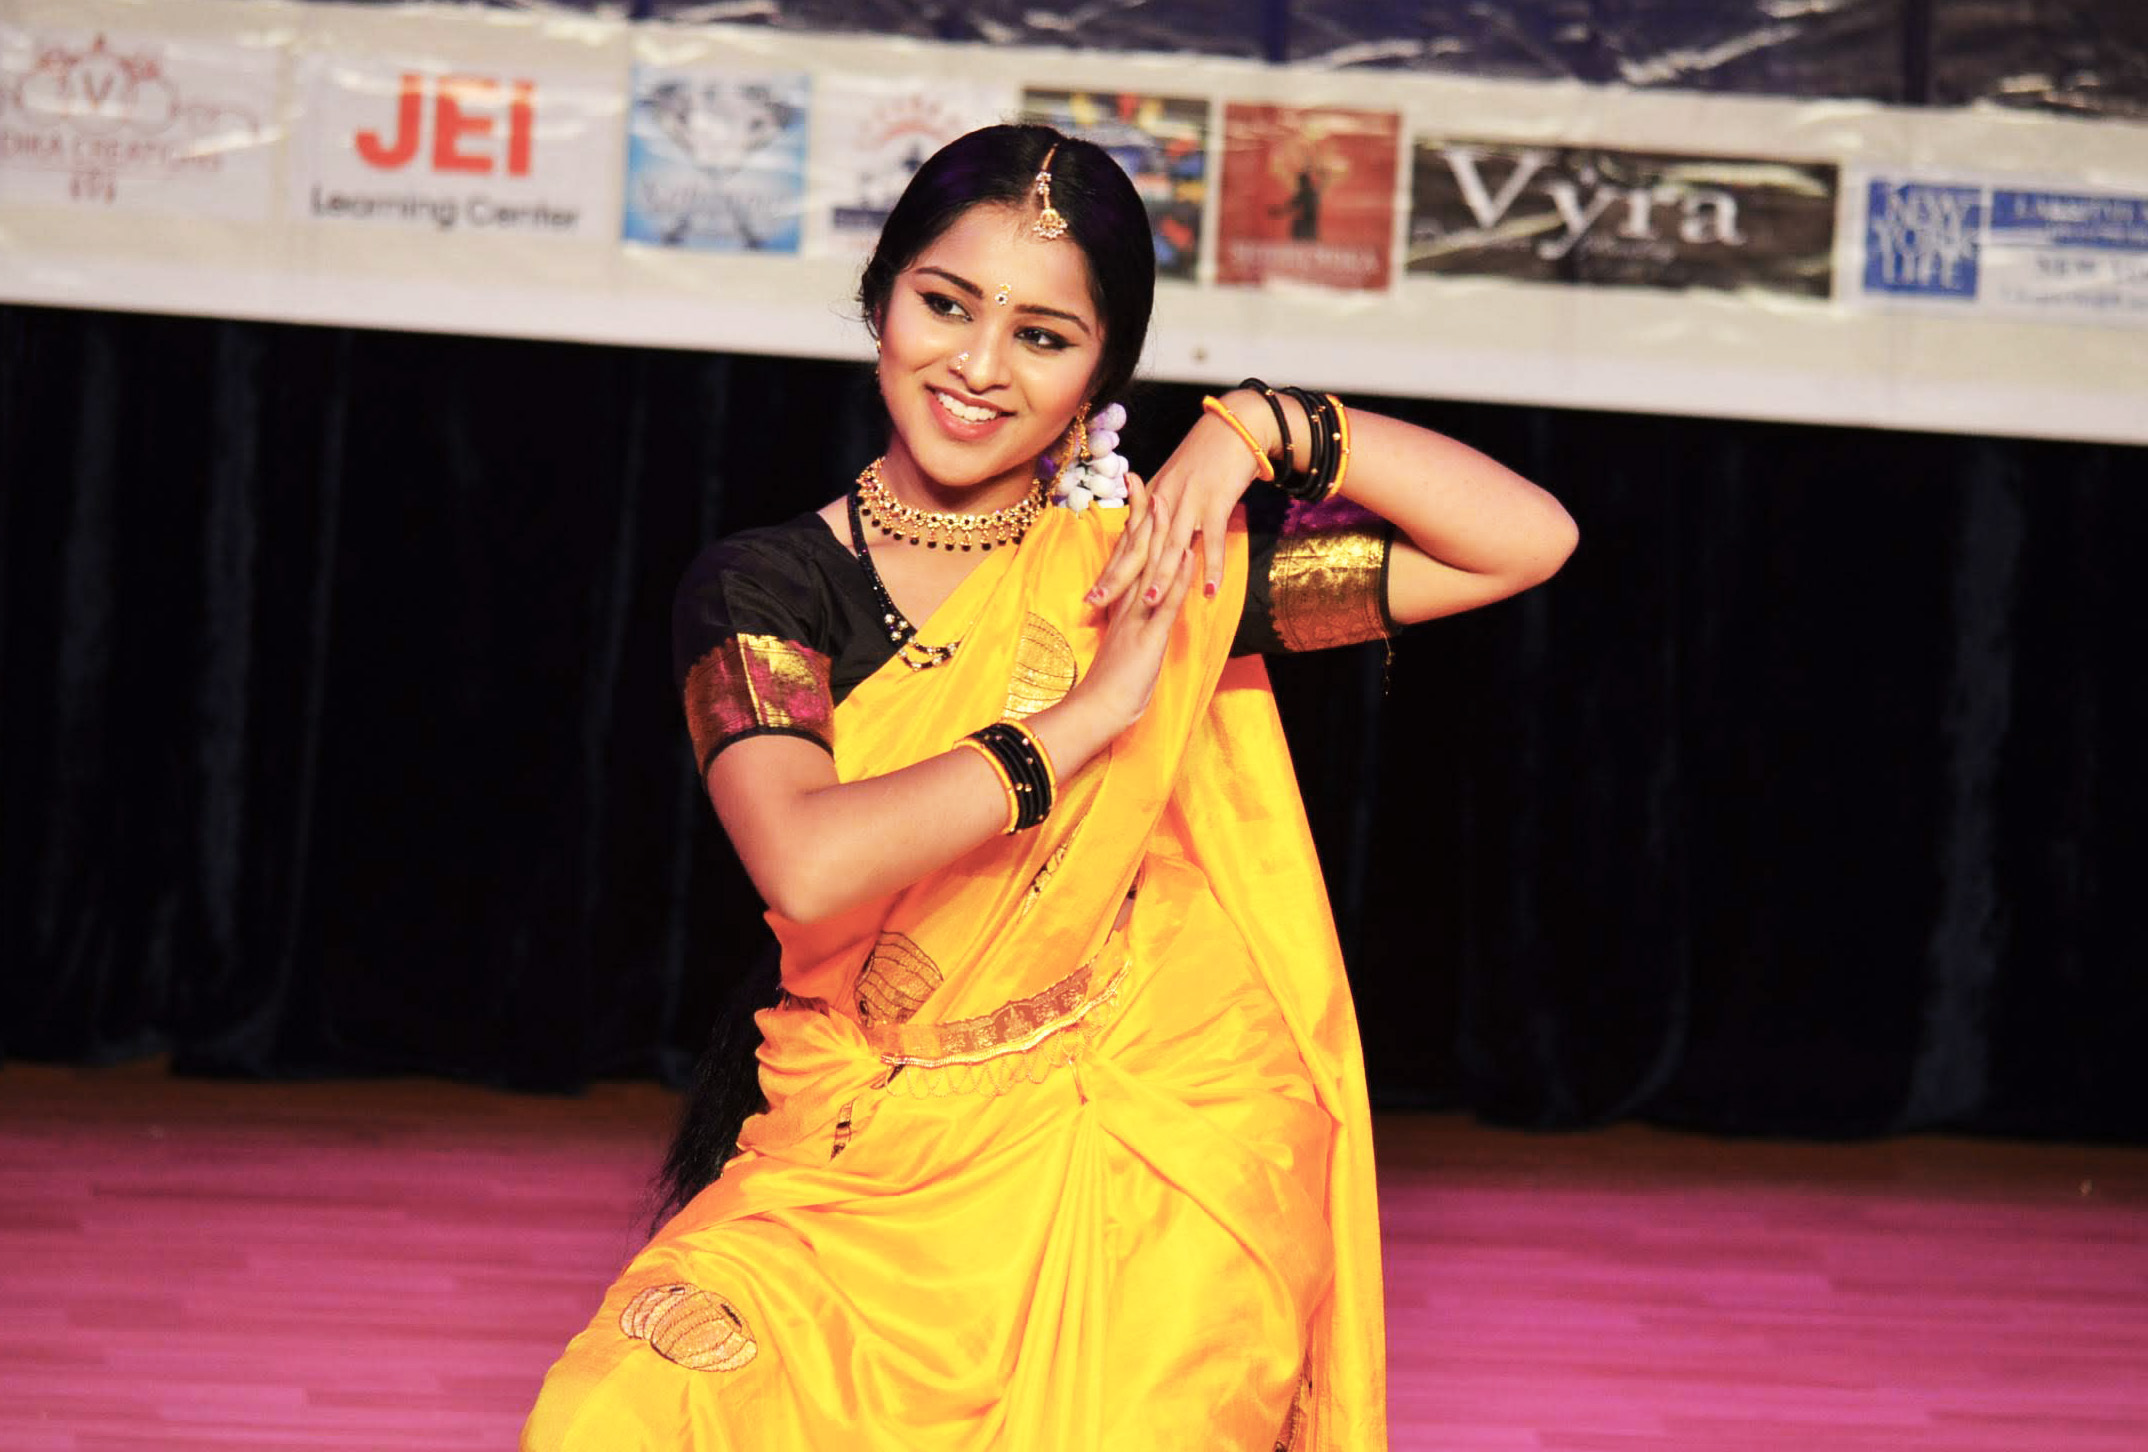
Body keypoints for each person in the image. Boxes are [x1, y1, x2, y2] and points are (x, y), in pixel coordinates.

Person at [524, 123, 1575, 1452]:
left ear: (1099, 372)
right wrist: (1085, 719)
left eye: (1042, 335)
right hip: (858, 1144)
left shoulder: (1151, 569)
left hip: (1131, 1143)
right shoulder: (764, 590)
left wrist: (1258, 430)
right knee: (618, 1411)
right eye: (945, 305)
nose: (978, 366)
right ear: (880, 301)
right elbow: (806, 858)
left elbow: (1522, 542)